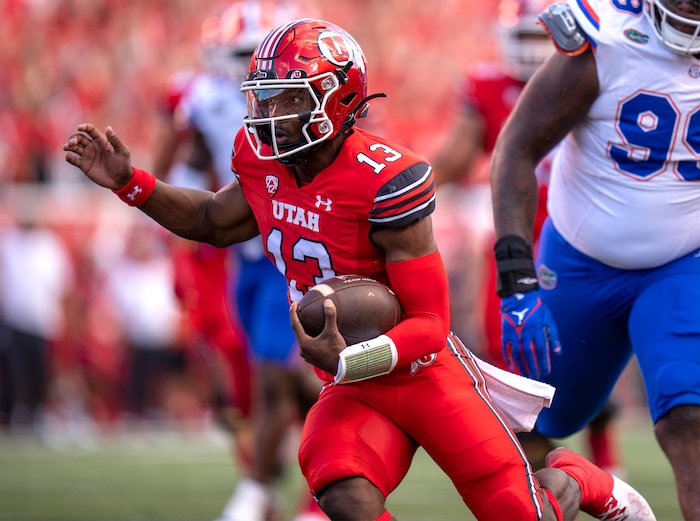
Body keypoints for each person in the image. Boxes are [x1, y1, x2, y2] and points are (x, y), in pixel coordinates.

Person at [63, 18, 657, 521]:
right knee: (342, 492)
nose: (269, 111)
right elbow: (216, 221)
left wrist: (351, 358)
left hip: (423, 373)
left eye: (290, 97)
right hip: (354, 383)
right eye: (265, 95)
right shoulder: (261, 159)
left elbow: (429, 322)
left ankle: (587, 480)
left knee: (518, 510)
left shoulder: (385, 177)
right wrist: (131, 184)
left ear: (338, 99)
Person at [489, 1, 700, 519]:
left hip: (683, 261)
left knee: (687, 414)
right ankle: (595, 490)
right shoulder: (606, 38)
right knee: (534, 423)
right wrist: (517, 280)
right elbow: (516, 148)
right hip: (579, 264)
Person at [150, 3, 327, 520]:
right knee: (264, 381)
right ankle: (313, 487)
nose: (252, 66)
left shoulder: (310, 98)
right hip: (242, 256)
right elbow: (196, 164)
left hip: (288, 252)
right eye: (243, 54)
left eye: (259, 53)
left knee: (277, 375)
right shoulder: (207, 98)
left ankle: (261, 493)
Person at [432, 0, 623, 475]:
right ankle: (529, 473)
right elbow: (453, 160)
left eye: (544, 37)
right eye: (527, 38)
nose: (537, 50)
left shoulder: (600, 72)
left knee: (587, 351)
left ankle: (604, 462)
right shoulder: (491, 88)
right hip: (515, 241)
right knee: (510, 360)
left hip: (580, 240)